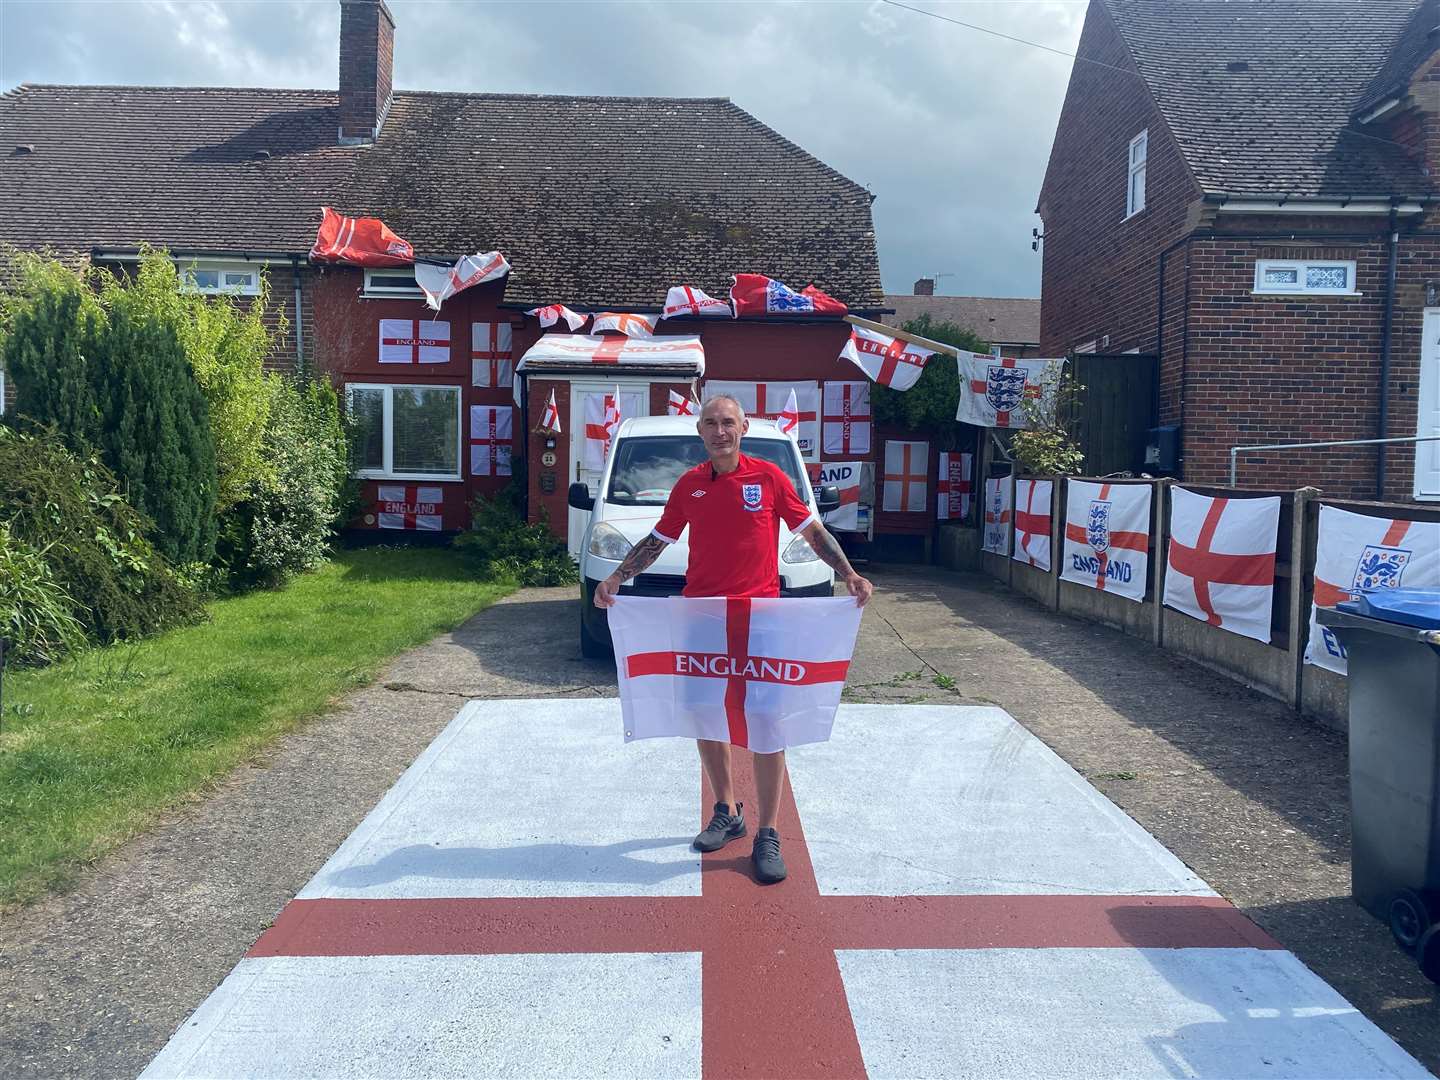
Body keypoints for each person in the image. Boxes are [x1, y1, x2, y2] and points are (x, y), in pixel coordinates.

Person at [594, 394, 873, 884]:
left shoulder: (768, 477)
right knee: (707, 714)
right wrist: (617, 576)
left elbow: (811, 532)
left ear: (742, 427)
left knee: (766, 720)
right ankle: (726, 810)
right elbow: (659, 539)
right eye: (710, 424)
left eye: (728, 423)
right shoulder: (689, 484)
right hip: (702, 617)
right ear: (700, 432)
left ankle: (768, 831)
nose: (719, 431)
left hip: (760, 617)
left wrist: (849, 573)